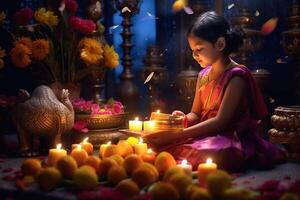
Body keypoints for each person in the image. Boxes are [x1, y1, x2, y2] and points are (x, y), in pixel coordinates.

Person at [143, 11, 286, 172]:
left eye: (199, 49)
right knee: (158, 142)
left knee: (219, 152)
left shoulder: (237, 76)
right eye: (192, 50)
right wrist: (182, 120)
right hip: (205, 135)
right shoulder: (203, 75)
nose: (195, 55)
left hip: (229, 137)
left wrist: (177, 135)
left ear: (220, 45)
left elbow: (221, 122)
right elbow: (196, 114)